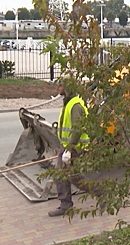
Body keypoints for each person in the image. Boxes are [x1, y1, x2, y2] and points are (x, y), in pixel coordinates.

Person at [48, 77, 89, 217]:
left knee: (72, 177)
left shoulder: (75, 105)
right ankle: (66, 204)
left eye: (59, 86)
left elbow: (77, 129)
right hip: (67, 146)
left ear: (67, 87)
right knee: (64, 175)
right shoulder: (69, 103)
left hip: (74, 147)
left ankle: (101, 192)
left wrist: (69, 149)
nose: (57, 89)